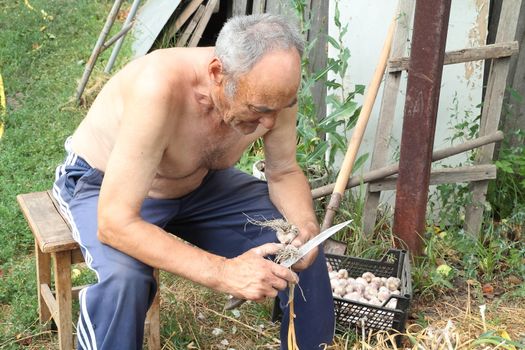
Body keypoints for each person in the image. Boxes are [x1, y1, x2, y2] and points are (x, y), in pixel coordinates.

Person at [53, 13, 334, 349]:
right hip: (104, 187)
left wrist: (304, 225)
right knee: (124, 280)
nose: (270, 121)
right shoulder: (158, 88)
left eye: (281, 107)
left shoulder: (272, 92)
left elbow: (283, 171)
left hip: (199, 183)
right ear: (217, 74)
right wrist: (223, 272)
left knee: (305, 250)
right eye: (258, 108)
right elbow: (115, 223)